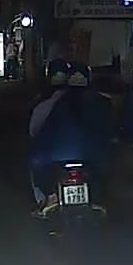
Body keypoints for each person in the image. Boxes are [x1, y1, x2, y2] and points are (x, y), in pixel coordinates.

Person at [28, 61, 116, 217]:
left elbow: (35, 131)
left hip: (54, 156)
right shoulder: (102, 101)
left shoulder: (52, 101)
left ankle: (48, 198)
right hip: (93, 156)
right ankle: (98, 198)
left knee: (35, 163)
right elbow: (110, 131)